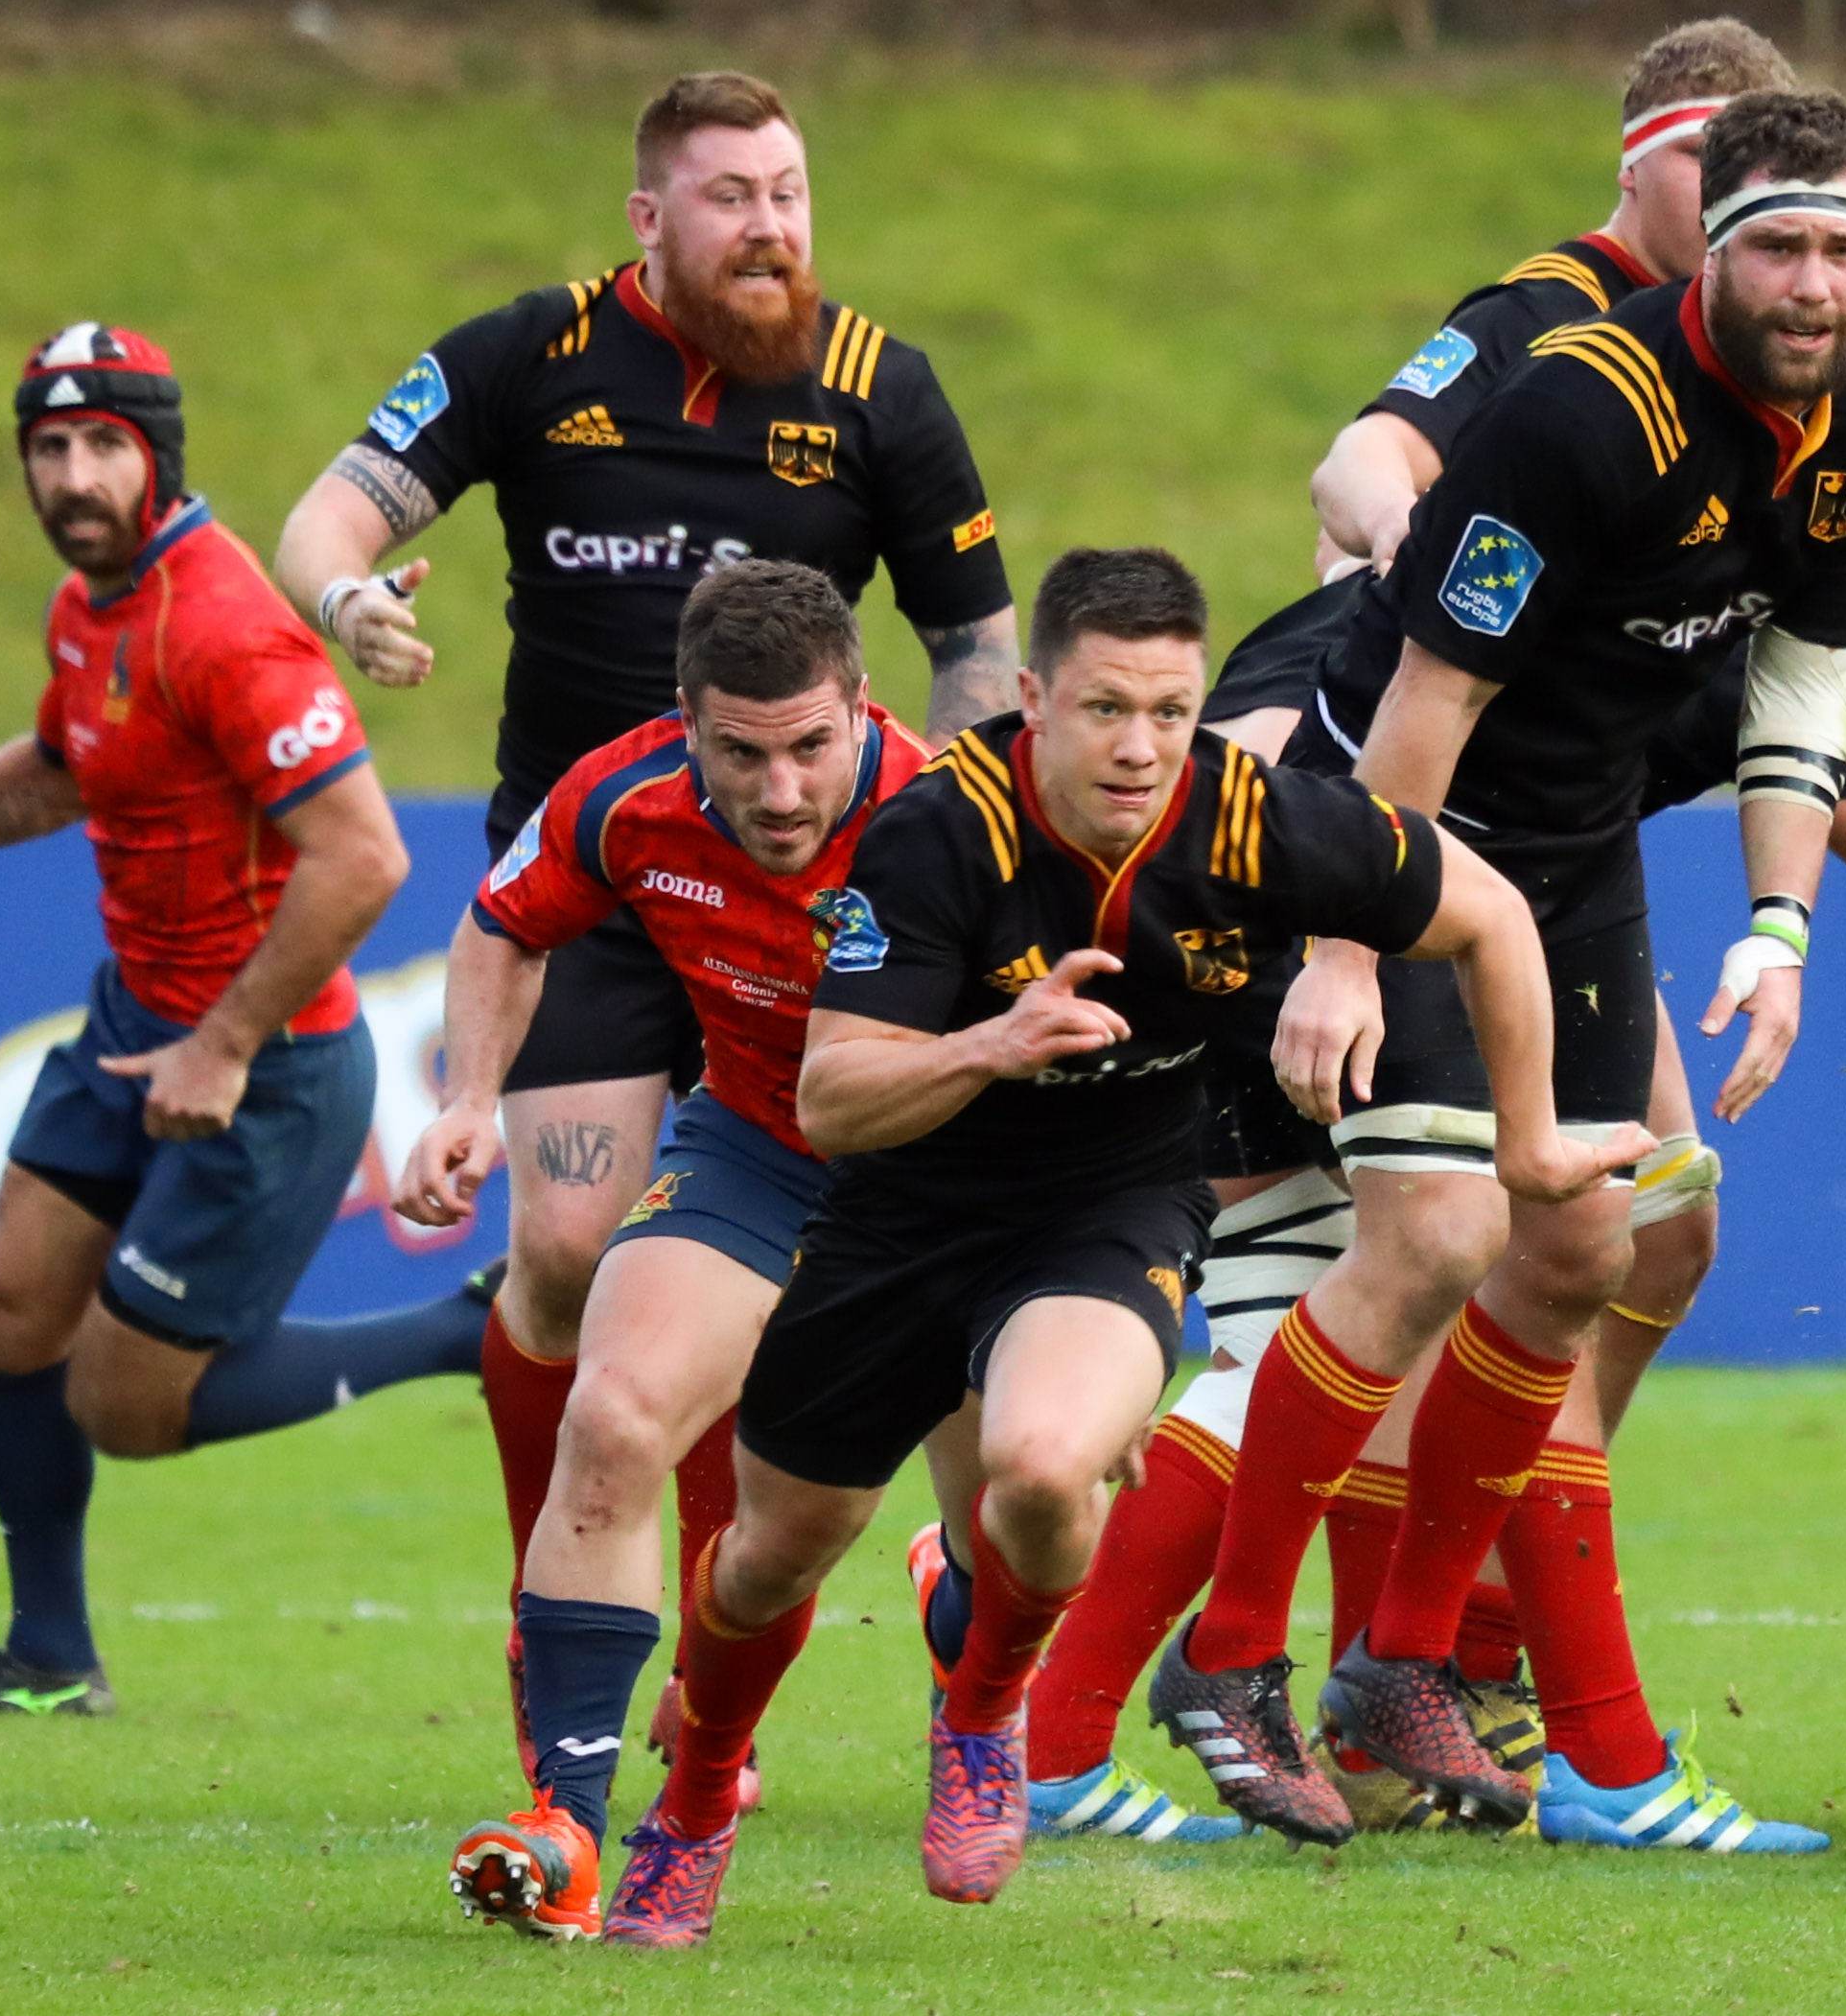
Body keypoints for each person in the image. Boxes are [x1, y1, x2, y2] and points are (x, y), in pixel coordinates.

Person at [1157, 90, 1846, 1862]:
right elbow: (1427, 700)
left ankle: (1398, 1665)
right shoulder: (1579, 410)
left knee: (1580, 1252)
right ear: (1712, 241)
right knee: (1434, 1240)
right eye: (1780, 243)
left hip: (1575, 847)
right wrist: (1343, 949)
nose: (1814, 282)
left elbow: (1807, 684)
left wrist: (1776, 927)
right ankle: (1228, 1659)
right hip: (1404, 820)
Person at [619, 547, 1610, 1942]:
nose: (1141, 747)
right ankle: (694, 1808)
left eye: (1169, 711)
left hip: (1111, 1211)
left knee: (1042, 1468)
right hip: (902, 1220)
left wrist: (1532, 1143)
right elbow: (831, 1100)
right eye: (1104, 709)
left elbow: (1490, 914)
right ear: (1034, 700)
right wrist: (990, 1044)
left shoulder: (1253, 817)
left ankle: (983, 1717)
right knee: (772, 1556)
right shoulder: (935, 831)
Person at [271, 71, 1022, 1632]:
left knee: (856, 1260)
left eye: (789, 194)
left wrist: (953, 857)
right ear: (647, 218)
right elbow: (325, 522)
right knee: (562, 1249)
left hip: (813, 887)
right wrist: (350, 604)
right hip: (599, 882)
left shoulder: (880, 388)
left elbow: (976, 655)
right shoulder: (529, 354)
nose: (769, 227)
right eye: (730, 197)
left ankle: (737, 1624)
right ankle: (554, 1587)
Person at [0, 323, 465, 1718]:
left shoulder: (226, 625)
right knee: (8, 1308)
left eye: (103, 446)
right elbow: (50, 775)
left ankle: (463, 1327)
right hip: (133, 1020)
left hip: (267, 1064)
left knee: (126, 1409)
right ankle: (47, 1660)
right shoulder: (92, 607)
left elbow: (365, 857)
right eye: (50, 447)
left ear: (158, 458)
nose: (74, 475)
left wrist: (225, 1043)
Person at [386, 561, 1004, 1939]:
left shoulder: (957, 816)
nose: (780, 792)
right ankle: (565, 1830)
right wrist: (469, 1101)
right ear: (686, 723)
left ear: (863, 706)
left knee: (1016, 1516)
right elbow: (501, 926)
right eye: (741, 753)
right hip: (758, 1149)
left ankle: (964, 1643)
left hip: (955, 1188)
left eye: (810, 748)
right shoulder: (622, 798)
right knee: (612, 1419)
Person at [1307, 17, 1802, 574]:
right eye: (1703, 155)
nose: (1735, 190)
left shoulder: (1792, 337)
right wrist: (1392, 525)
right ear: (1631, 166)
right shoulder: (1546, 312)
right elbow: (1363, 456)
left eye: (1764, 168)